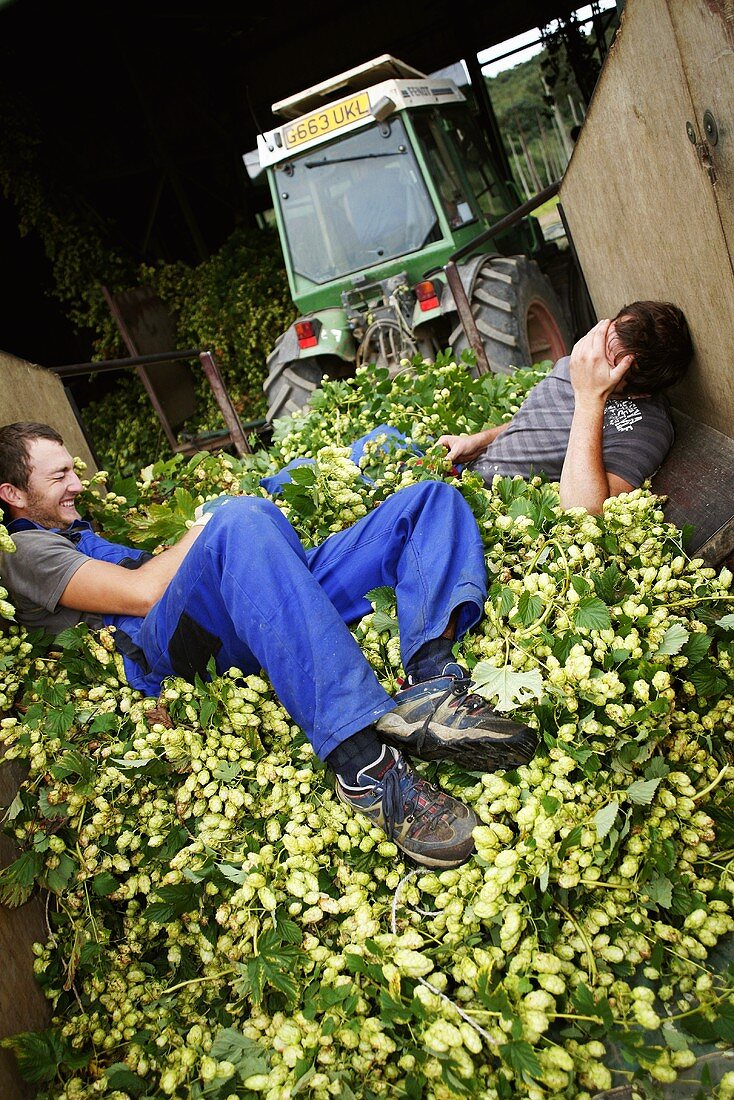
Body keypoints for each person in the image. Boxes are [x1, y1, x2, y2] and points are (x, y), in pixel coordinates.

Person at [0, 423, 536, 870]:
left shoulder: (74, 531)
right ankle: (365, 769)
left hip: (240, 612)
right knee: (240, 518)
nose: (77, 483)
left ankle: (432, 679)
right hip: (171, 655)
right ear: (13, 494)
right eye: (60, 476)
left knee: (426, 503)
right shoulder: (22, 549)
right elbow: (144, 594)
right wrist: (209, 525)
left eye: (73, 469)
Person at [439, 302, 693, 514]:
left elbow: (585, 510)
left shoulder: (647, 427)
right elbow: (540, 421)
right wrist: (478, 440)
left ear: (641, 390)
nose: (589, 357)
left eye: (606, 362)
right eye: (605, 335)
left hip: (488, 508)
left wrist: (590, 396)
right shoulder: (581, 360)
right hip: (462, 476)